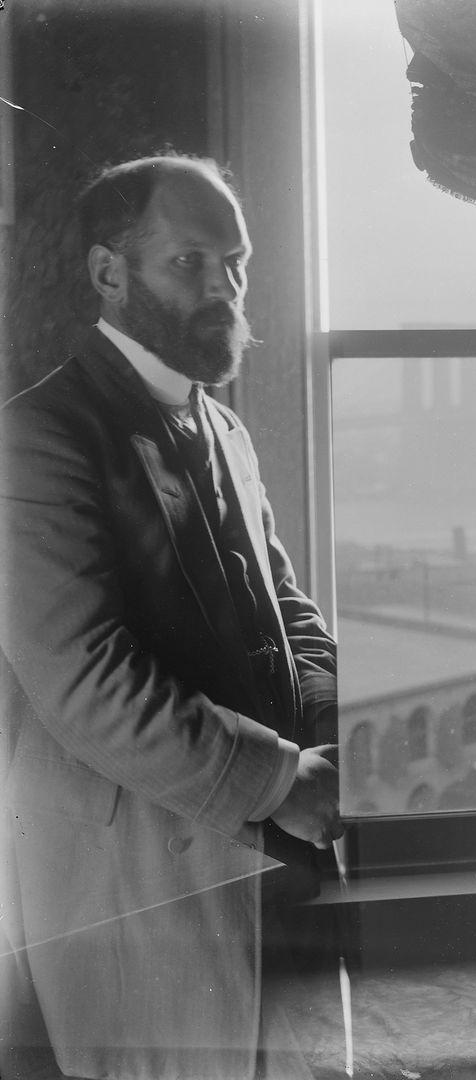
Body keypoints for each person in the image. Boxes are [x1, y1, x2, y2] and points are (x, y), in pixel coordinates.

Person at [0, 154, 341, 1080]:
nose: (224, 289)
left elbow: (290, 618)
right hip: (136, 894)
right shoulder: (37, 435)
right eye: (190, 264)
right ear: (110, 274)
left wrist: (341, 732)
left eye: (235, 263)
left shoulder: (224, 430)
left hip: (265, 868)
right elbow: (84, 680)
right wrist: (283, 784)